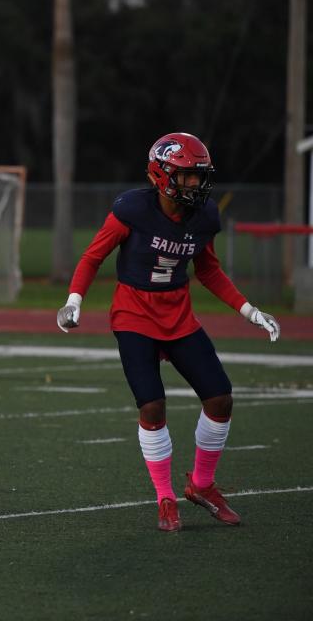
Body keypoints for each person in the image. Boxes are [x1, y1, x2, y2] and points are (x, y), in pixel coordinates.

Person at [56, 132, 281, 532]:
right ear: (162, 175)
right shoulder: (132, 209)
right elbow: (93, 256)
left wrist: (249, 310)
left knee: (220, 397)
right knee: (152, 407)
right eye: (188, 177)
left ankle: (201, 485)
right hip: (134, 314)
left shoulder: (204, 216)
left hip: (179, 315)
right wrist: (74, 300)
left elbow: (207, 269)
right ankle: (164, 497)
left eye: (199, 177)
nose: (196, 185)